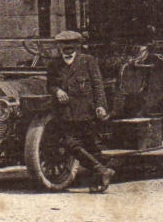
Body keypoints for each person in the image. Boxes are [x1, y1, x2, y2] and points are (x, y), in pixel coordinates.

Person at [46, 29, 114, 193]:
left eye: (71, 45)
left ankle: (99, 181)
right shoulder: (54, 64)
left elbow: (98, 84)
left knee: (92, 146)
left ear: (77, 46)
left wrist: (101, 106)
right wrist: (57, 91)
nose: (67, 48)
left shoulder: (88, 61)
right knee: (70, 144)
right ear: (59, 47)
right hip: (65, 112)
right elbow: (50, 85)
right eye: (64, 45)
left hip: (86, 110)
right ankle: (102, 170)